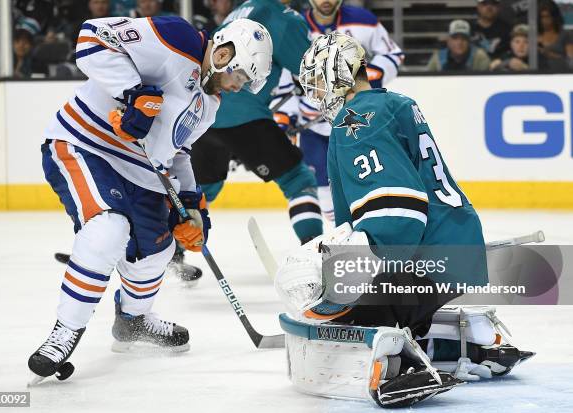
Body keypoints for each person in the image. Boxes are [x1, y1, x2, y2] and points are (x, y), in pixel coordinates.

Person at [274, 32, 533, 408]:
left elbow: (398, 214)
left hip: (424, 255)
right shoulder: (395, 103)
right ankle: (473, 337)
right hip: (458, 247)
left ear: (338, 72)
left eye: (317, 80)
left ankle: (397, 361)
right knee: (380, 304)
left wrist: (346, 273)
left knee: (341, 318)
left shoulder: (354, 121)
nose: (315, 93)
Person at [27, 16, 272, 384]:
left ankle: (132, 321)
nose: (238, 88)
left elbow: (178, 153)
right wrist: (134, 92)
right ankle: (64, 332)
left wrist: (191, 204)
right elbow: (92, 37)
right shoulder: (178, 38)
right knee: (108, 229)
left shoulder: (210, 104)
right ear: (223, 54)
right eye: (240, 78)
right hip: (85, 143)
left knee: (157, 251)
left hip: (140, 170)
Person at [176, 0, 324, 280]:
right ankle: (314, 256)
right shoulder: (282, 17)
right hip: (244, 115)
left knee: (202, 190)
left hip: (205, 111)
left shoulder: (242, 9)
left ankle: (169, 251)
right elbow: (313, 71)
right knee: (298, 181)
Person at [273, 0, 403, 223]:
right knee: (323, 186)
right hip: (313, 127)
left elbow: (393, 54)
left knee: (366, 175)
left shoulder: (364, 21)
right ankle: (340, 233)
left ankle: (371, 229)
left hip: (358, 121)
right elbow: (284, 77)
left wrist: (367, 75)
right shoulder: (295, 26)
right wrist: (286, 117)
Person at [427, 19, 491, 71]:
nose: (459, 42)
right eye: (455, 38)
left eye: (464, 38)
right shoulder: (438, 58)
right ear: (448, 40)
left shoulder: (480, 57)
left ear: (469, 41)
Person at [538, 0, 573, 71]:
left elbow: (570, 61)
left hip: (561, 73)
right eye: (542, 17)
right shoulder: (533, 34)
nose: (545, 20)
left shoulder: (565, 35)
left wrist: (549, 54)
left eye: (548, 16)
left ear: (555, 17)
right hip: (537, 74)